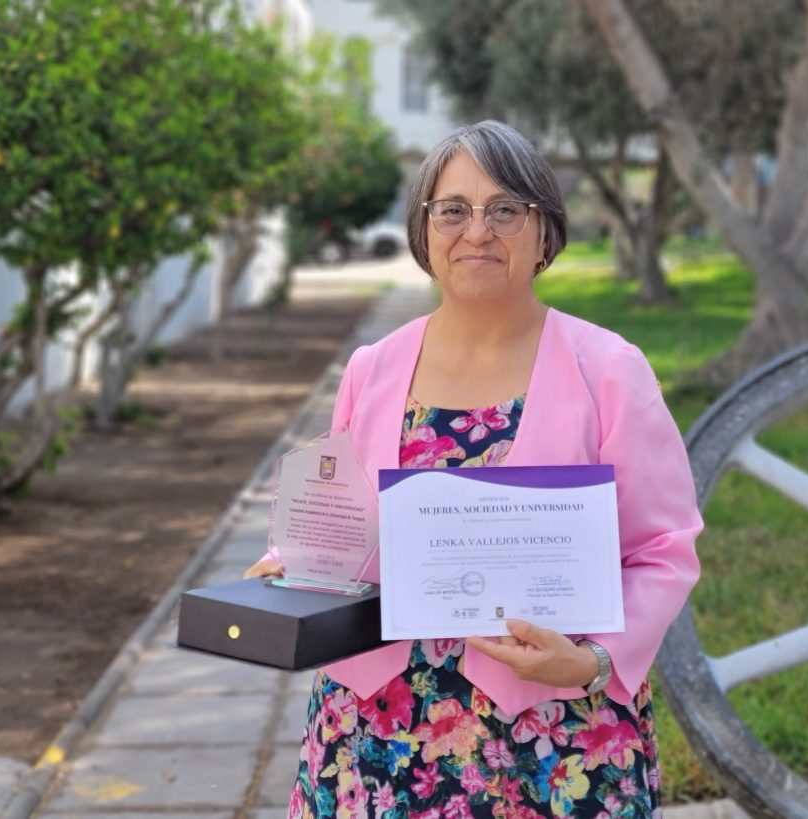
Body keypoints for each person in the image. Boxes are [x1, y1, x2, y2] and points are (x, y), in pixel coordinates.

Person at [246, 120, 702, 818]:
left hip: (554, 739)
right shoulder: (373, 368)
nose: (478, 231)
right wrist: (293, 557)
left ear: (544, 230)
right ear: (423, 230)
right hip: (375, 737)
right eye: (453, 209)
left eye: (505, 209)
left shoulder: (609, 370)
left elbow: (662, 550)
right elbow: (349, 517)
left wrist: (593, 662)